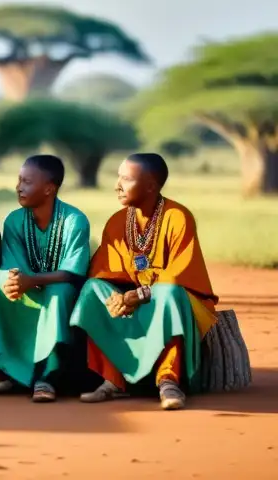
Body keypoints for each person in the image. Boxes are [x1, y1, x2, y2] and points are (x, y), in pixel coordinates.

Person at [71, 153, 218, 411]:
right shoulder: (118, 222)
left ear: (151, 185)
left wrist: (140, 295)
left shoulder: (177, 217)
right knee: (92, 290)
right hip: (135, 297)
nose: (117, 185)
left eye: (125, 179)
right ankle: (112, 379)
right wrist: (119, 297)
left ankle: (168, 380)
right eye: (117, 177)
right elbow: (105, 270)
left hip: (179, 302)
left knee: (168, 295)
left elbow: (180, 275)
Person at [0, 156, 91, 403]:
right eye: (19, 180)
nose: (19, 187)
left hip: (63, 289)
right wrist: (14, 281)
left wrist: (31, 281)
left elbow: (71, 273)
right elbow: (12, 266)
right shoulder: (14, 220)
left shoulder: (74, 220)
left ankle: (47, 377)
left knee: (59, 293)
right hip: (29, 286)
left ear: (49, 188)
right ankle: (15, 374)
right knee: (1, 286)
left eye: (27, 181)